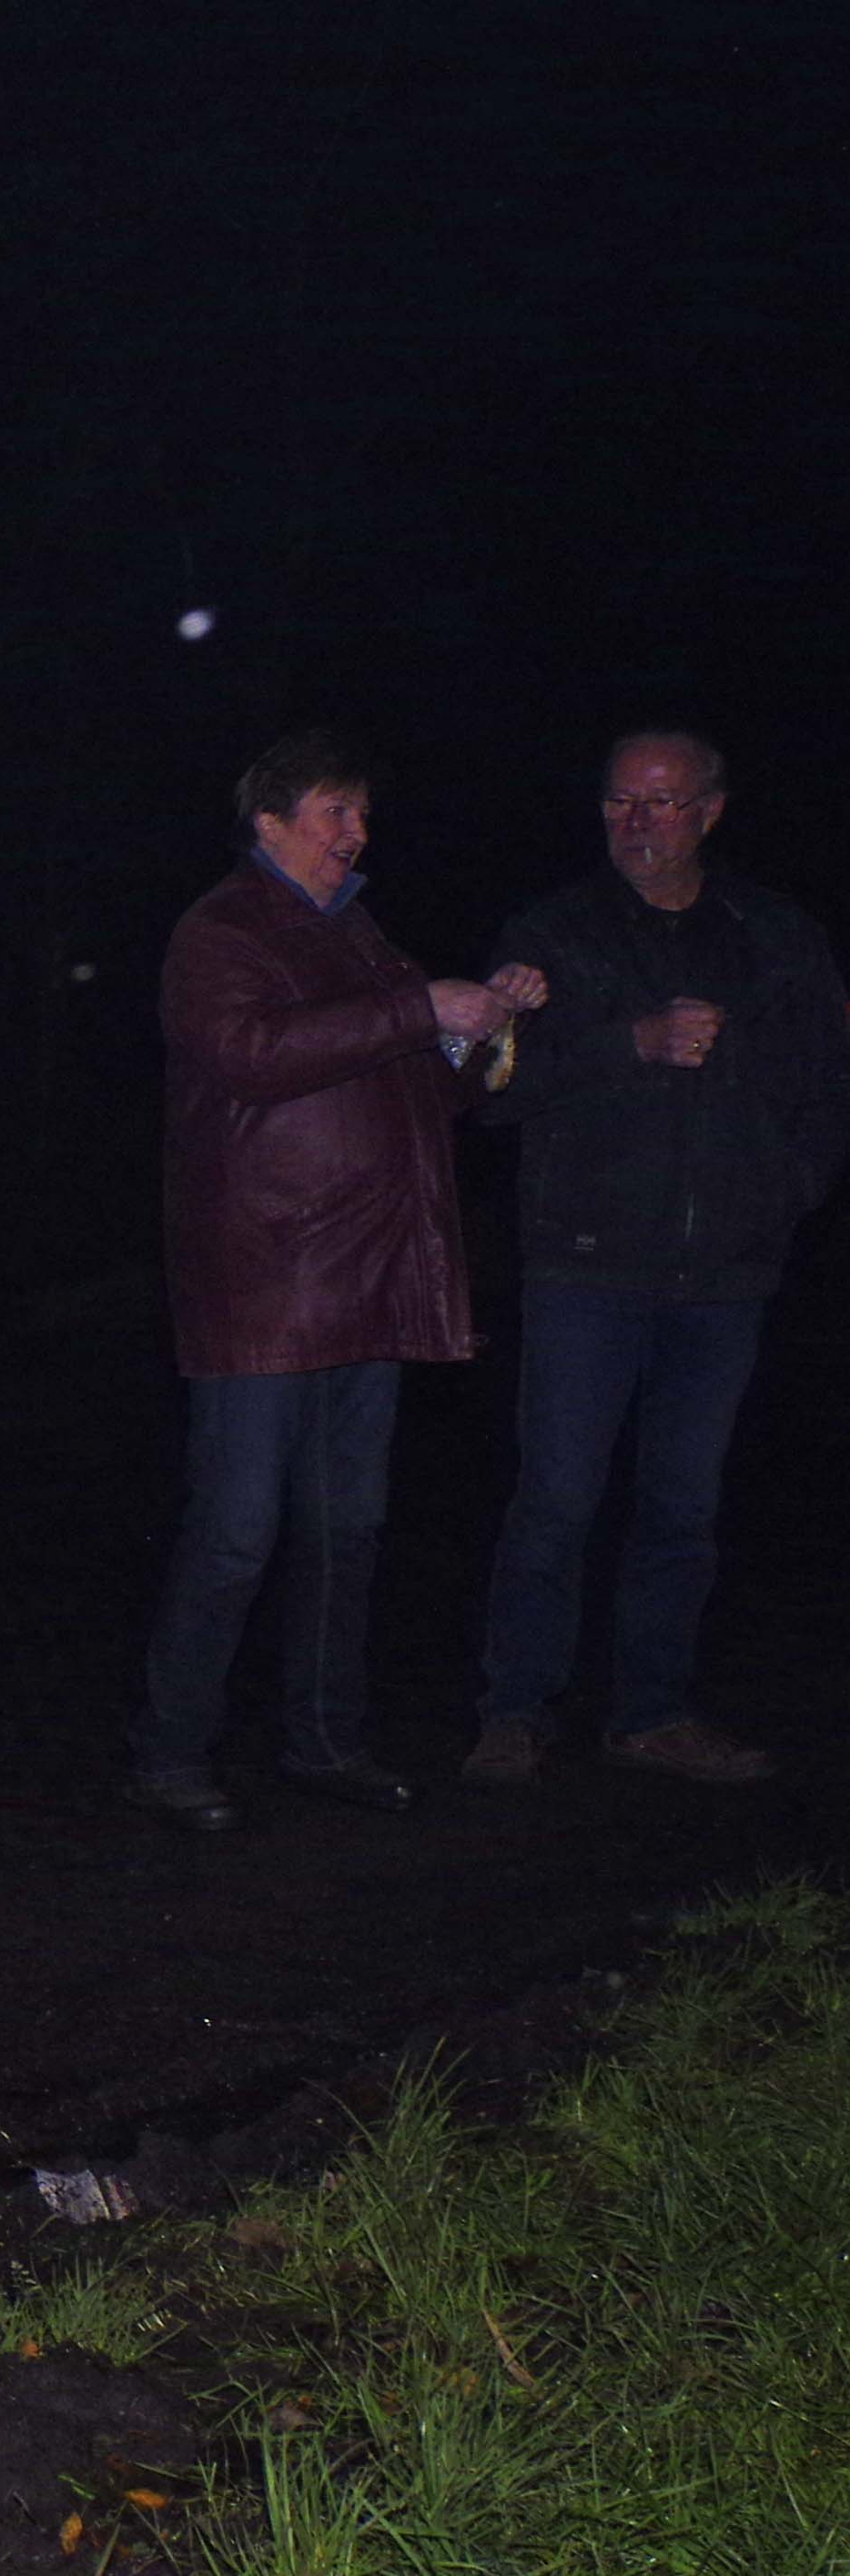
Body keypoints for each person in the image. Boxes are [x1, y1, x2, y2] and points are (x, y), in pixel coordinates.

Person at [125, 729, 542, 1831]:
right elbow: (248, 1054)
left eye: (360, 812)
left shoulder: (354, 930)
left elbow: (421, 1095)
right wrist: (422, 1010)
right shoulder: (220, 929)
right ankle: (170, 1753)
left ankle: (324, 1741)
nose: (354, 834)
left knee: (345, 1524)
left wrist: (479, 1027)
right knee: (236, 1527)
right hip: (263, 1281)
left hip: (364, 1275)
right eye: (331, 813)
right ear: (268, 825)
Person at [466, 731, 847, 1788]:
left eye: (663, 803)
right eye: (620, 801)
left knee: (682, 1502)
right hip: (586, 1266)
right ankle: (515, 1709)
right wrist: (626, 1043)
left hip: (724, 1272)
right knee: (556, 1496)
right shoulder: (554, 931)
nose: (638, 822)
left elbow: (825, 1077)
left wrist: (786, 1189)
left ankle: (652, 1710)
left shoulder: (771, 934)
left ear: (711, 812)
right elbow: (490, 1086)